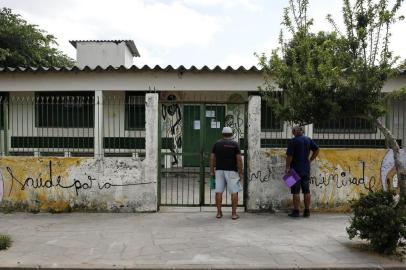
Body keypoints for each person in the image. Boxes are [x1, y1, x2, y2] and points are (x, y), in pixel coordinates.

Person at [210, 126, 243, 220]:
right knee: (234, 192)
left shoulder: (217, 144)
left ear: (222, 134)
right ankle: (233, 214)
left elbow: (212, 158)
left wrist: (212, 170)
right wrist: (241, 172)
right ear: (231, 134)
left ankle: (219, 213)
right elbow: (239, 159)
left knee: (218, 191)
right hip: (232, 171)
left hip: (219, 171)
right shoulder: (235, 144)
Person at [285, 125, 319, 218]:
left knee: (295, 191)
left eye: (293, 130)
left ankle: (296, 211)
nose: (292, 131)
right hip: (305, 169)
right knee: (306, 190)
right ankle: (307, 211)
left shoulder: (293, 141)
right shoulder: (308, 139)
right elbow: (317, 149)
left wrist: (287, 167)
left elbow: (289, 156)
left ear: (295, 131)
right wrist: (310, 159)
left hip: (294, 169)